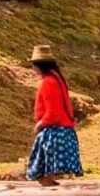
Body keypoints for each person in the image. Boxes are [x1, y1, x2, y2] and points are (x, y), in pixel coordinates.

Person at [27, 45, 83, 186]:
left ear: (39, 66)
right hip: (65, 129)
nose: (33, 69)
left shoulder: (48, 83)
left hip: (54, 133)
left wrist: (40, 124)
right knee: (47, 178)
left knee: (43, 177)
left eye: (33, 66)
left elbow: (53, 112)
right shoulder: (58, 80)